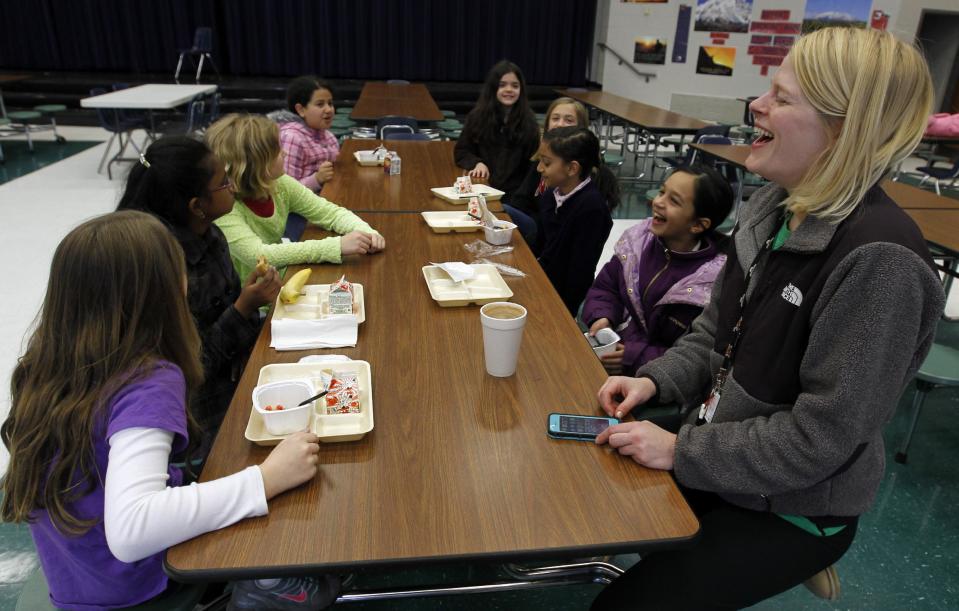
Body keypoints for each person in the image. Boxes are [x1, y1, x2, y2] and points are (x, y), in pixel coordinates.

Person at [591, 27, 945, 610]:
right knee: (594, 488)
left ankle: (788, 559)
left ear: (841, 127)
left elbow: (819, 439)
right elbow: (714, 331)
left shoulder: (881, 264)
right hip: (727, 456)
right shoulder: (774, 208)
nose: (756, 105)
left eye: (781, 97)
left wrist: (682, 453)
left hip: (799, 506)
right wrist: (656, 380)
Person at [0, 211, 336, 610]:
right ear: (168, 290)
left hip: (77, 583)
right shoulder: (148, 379)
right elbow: (132, 530)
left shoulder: (43, 364)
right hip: (138, 590)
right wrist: (265, 479)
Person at [117, 136, 280, 451]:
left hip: (236, 373)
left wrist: (248, 302)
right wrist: (244, 308)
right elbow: (192, 368)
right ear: (196, 206)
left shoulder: (210, 234)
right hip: (200, 414)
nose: (233, 186)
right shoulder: (163, 268)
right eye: (223, 183)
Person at [582, 164, 733, 376]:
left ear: (698, 225)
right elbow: (606, 287)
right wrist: (602, 316)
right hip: (607, 355)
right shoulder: (638, 242)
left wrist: (633, 357)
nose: (658, 202)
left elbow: (693, 352)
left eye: (674, 201)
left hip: (653, 380)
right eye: (662, 192)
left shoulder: (709, 285)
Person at [207, 114, 385, 281]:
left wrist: (366, 232)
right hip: (253, 303)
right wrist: (336, 246)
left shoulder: (280, 184)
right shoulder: (226, 208)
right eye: (277, 150)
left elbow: (329, 213)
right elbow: (260, 256)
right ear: (257, 164)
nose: (284, 153)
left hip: (279, 279)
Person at [534, 126, 620, 315]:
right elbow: (540, 247)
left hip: (561, 299)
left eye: (546, 163)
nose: (539, 168)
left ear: (572, 168)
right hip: (540, 283)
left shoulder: (592, 209)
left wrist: (563, 312)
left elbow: (579, 272)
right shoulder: (550, 195)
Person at [505, 97, 590, 242]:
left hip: (548, 233)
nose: (560, 124)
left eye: (569, 120)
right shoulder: (541, 156)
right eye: (555, 118)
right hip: (533, 223)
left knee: (501, 209)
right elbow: (521, 198)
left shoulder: (582, 167)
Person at [454, 60, 539, 200]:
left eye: (515, 85)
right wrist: (477, 162)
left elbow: (530, 168)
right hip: (481, 188)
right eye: (502, 85)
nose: (509, 89)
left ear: (521, 90)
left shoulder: (529, 123)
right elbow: (462, 150)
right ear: (493, 88)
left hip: (514, 196)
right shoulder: (477, 117)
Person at [276, 76, 339, 192]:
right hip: (300, 208)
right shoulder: (292, 138)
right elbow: (286, 190)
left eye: (330, 103)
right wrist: (317, 179)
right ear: (301, 110)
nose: (329, 110)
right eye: (320, 104)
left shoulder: (329, 136)